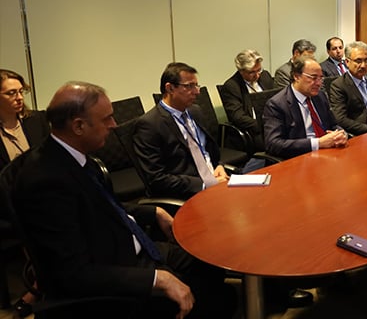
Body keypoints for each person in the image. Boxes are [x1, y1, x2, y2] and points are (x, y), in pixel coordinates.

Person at [8, 81, 234, 318]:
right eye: (106, 119)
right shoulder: (43, 181)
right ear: (78, 126)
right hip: (116, 269)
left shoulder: (75, 156)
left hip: (131, 246)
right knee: (220, 300)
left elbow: (103, 205)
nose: (114, 126)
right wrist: (158, 278)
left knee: (210, 259)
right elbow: (71, 273)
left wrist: (153, 211)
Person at [133, 62, 229, 200]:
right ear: (170, 88)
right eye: (189, 86)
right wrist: (206, 184)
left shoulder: (195, 111)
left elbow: (207, 150)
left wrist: (218, 166)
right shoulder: (149, 125)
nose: (197, 91)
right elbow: (157, 179)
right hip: (188, 193)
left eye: (196, 85)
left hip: (216, 181)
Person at [0, 69, 50, 318]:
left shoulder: (35, 121)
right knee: (38, 219)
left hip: (41, 191)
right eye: (11, 93)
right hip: (6, 201)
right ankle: (40, 287)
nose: (19, 97)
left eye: (21, 92)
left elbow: (50, 158)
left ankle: (42, 283)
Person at [264, 56, 347, 159]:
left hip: (328, 153)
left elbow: (333, 125)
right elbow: (273, 144)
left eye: (321, 78)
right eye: (313, 78)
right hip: (299, 158)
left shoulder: (320, 96)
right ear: (296, 76)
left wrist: (341, 134)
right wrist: (317, 143)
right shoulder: (277, 104)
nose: (319, 83)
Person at [220, 49, 276, 151]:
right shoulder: (231, 86)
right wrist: (263, 125)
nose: (257, 75)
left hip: (274, 124)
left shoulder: (265, 76)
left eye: (259, 70)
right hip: (254, 130)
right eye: (252, 72)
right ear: (241, 71)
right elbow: (238, 117)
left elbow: (276, 100)